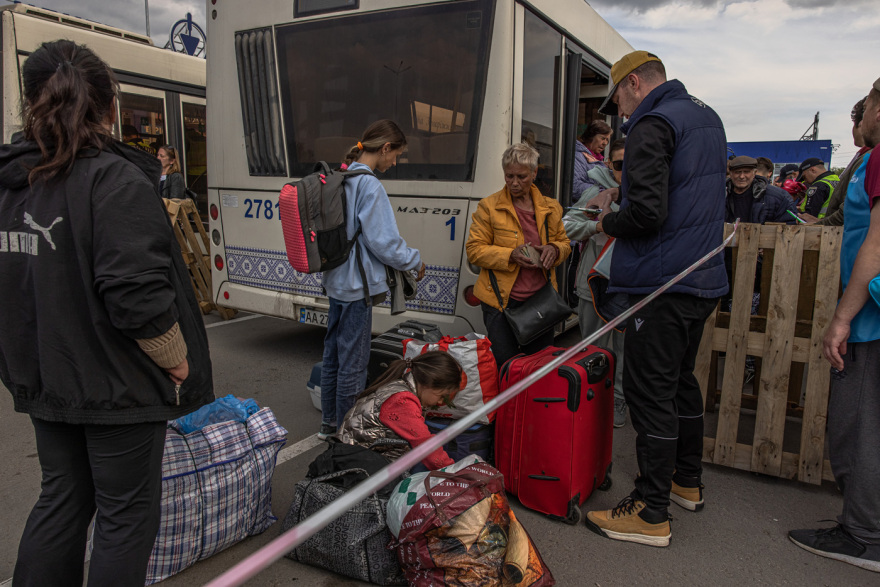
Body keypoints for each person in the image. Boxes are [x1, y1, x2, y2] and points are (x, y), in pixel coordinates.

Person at [0, 40, 213, 586]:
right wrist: (176, 360)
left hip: (44, 372)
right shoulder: (112, 179)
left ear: (29, 101)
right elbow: (135, 294)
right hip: (117, 382)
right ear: (108, 106)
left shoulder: (11, 183)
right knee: (125, 514)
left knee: (62, 496)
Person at [582, 51, 728, 547]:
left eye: (617, 99)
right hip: (702, 277)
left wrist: (604, 221)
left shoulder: (650, 123)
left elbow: (646, 213)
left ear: (635, 83)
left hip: (661, 280)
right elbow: (687, 194)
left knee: (650, 394)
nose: (619, 112)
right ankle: (685, 480)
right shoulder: (706, 118)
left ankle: (650, 511)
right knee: (682, 382)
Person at [789, 76, 880, 573]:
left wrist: (843, 317)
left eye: (865, 107)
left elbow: (876, 244)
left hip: (872, 317)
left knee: (859, 425)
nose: (859, 117)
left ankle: (864, 534)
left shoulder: (879, 157)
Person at [319, 120, 426, 441]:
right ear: (385, 148)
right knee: (353, 361)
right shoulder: (369, 185)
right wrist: (415, 260)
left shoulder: (340, 176)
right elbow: (384, 243)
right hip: (358, 287)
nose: (394, 163)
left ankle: (328, 424)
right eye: (396, 156)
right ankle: (344, 433)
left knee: (333, 356)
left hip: (336, 280)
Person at [465, 142, 571, 369]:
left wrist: (554, 249)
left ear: (534, 173)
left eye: (521, 177)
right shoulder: (489, 207)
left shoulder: (550, 207)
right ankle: (508, 405)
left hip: (540, 300)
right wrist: (510, 255)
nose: (514, 183)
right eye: (509, 176)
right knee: (506, 367)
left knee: (539, 367)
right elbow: (474, 250)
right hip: (501, 304)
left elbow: (564, 244)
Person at [563, 138, 628, 427]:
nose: (624, 170)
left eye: (631, 163)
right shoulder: (596, 191)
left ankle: (619, 398)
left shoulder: (650, 191)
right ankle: (591, 395)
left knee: (626, 348)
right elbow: (567, 226)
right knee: (593, 345)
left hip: (630, 283)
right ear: (608, 164)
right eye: (618, 164)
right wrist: (597, 225)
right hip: (593, 282)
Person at [337, 351, 462, 470]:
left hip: (349, 454)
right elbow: (426, 446)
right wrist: (453, 472)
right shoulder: (403, 402)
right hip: (355, 465)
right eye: (441, 396)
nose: (440, 402)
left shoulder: (399, 385)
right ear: (428, 384)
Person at [814, 97, 871, 227]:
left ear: (861, 124)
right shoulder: (863, 155)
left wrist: (820, 225)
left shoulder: (867, 158)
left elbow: (850, 207)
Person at [726, 155, 798, 224]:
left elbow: (789, 225)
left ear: (754, 173)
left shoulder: (777, 197)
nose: (742, 176)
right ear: (731, 174)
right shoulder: (721, 196)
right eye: (737, 172)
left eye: (746, 172)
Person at [573, 120, 613, 201]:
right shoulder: (578, 156)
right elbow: (574, 187)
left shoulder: (598, 159)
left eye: (607, 140)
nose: (605, 143)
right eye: (603, 138)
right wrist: (603, 191)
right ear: (591, 137)